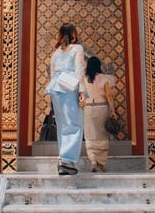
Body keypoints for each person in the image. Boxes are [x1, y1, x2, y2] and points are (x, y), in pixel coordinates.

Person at [45, 22, 85, 175]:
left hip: (56, 89)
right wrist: (82, 92)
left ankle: (64, 159)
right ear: (74, 33)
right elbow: (79, 70)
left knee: (63, 125)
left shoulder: (55, 53)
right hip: (70, 88)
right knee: (75, 125)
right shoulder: (77, 49)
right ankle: (68, 160)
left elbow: (52, 74)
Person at [83, 56, 116, 172]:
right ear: (98, 65)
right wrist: (113, 110)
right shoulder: (104, 78)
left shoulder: (84, 79)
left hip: (88, 109)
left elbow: (81, 97)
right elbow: (109, 95)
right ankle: (101, 163)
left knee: (90, 135)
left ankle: (93, 160)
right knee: (102, 135)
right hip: (101, 108)